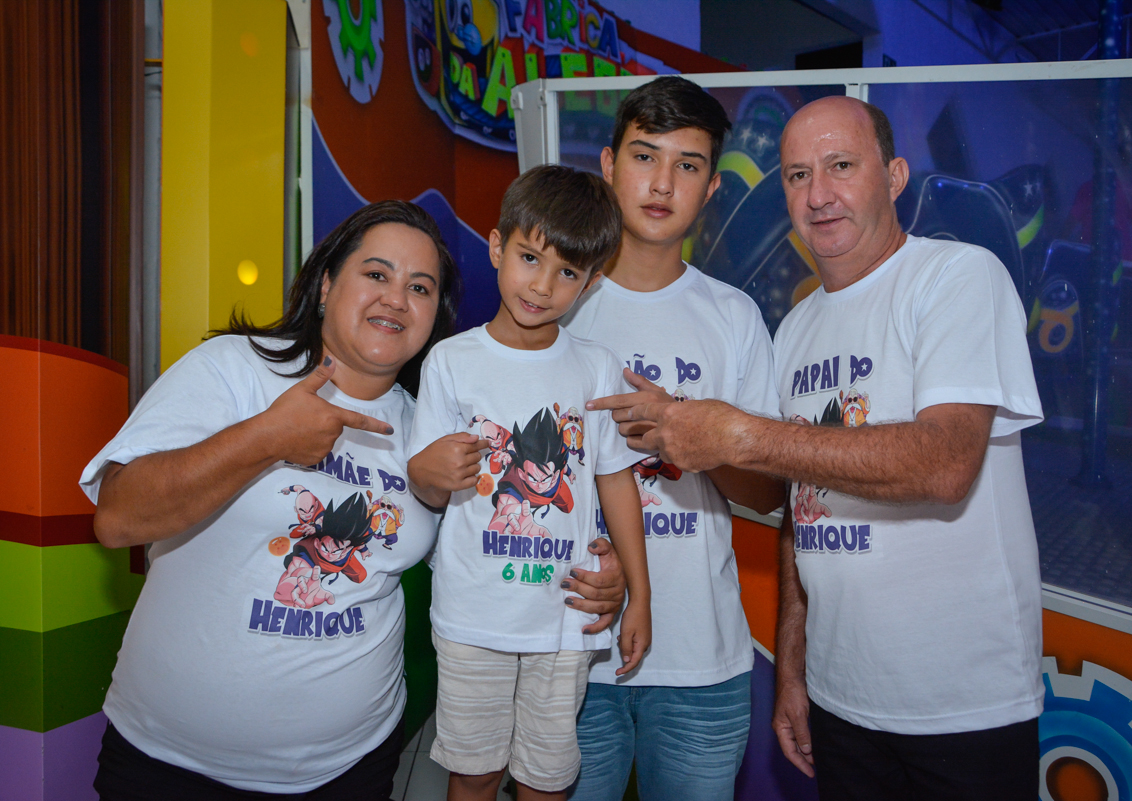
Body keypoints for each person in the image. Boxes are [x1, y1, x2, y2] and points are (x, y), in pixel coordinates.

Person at [80, 200, 628, 800]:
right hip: (170, 769)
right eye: (376, 274)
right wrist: (264, 438)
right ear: (324, 285)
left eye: (420, 287)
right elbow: (118, 517)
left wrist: (601, 570)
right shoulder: (234, 370)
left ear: (433, 317)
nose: (397, 298)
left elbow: (496, 555)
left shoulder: (432, 437)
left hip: (351, 771)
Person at [610, 96, 1046, 800]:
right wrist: (792, 664)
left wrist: (735, 434)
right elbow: (802, 506)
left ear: (895, 175)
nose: (818, 195)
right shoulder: (799, 327)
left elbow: (946, 464)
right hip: (841, 700)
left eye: (841, 166)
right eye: (797, 175)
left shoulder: (957, 278)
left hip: (962, 702)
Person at [563, 76, 784, 801]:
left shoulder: (735, 315)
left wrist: (694, 431)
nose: (662, 183)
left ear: (712, 186)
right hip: (570, 655)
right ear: (607, 165)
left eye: (687, 165)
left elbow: (768, 495)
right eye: (644, 156)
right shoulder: (553, 304)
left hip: (702, 662)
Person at [406, 165, 651, 801]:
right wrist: (428, 471)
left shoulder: (596, 367)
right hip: (471, 616)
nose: (542, 286)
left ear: (591, 282)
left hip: (562, 618)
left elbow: (616, 482)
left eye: (567, 272)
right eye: (529, 257)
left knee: (545, 779)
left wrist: (640, 595)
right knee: (476, 773)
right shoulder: (449, 361)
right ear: (496, 247)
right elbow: (425, 486)